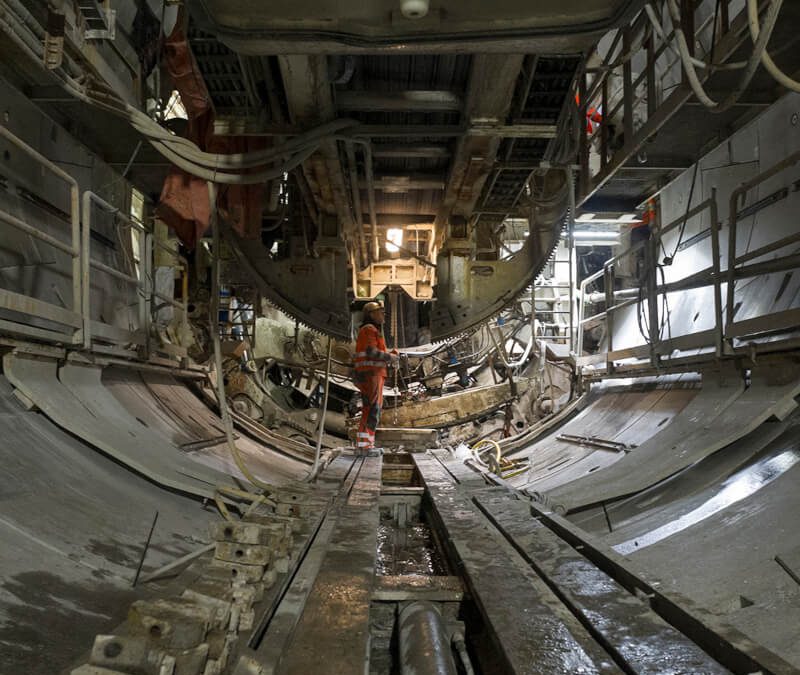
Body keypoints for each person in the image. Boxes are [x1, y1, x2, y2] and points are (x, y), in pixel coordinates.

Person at [353, 301, 398, 454]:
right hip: (372, 374)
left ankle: (364, 444)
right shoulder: (369, 330)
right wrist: (390, 357)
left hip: (371, 374)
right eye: (380, 312)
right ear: (371, 314)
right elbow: (372, 352)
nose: (383, 314)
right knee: (373, 409)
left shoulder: (369, 330)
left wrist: (389, 355)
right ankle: (365, 446)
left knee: (369, 409)